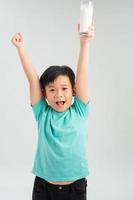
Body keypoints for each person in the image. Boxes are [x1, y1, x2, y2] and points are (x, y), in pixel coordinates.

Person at [11, 22, 95, 200]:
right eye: (52, 89)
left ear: (74, 90)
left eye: (64, 89)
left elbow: (82, 76)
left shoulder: (80, 110)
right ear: (45, 94)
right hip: (44, 188)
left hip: (75, 188)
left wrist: (84, 43)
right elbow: (33, 80)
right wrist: (21, 49)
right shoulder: (42, 113)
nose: (59, 94)